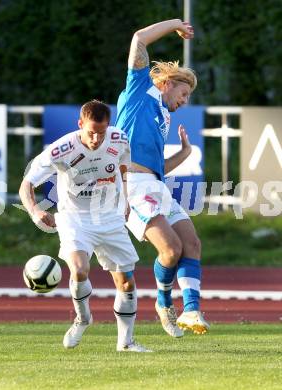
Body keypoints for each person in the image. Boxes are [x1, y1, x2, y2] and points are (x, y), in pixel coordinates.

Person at [19, 100, 151, 352]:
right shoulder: (61, 149)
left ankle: (126, 342)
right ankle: (82, 318)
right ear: (80, 124)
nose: (96, 138)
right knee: (79, 268)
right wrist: (35, 211)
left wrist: (125, 199)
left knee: (126, 283)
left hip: (110, 216)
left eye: (101, 132)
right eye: (91, 132)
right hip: (75, 217)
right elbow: (26, 184)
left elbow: (123, 166)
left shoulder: (119, 139)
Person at [115, 19, 210, 337]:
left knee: (191, 243)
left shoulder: (164, 117)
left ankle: (192, 310)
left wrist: (183, 154)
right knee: (169, 249)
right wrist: (175, 26)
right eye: (184, 93)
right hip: (131, 188)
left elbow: (155, 166)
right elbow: (138, 38)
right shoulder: (140, 91)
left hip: (155, 184)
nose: (185, 101)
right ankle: (163, 303)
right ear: (168, 82)